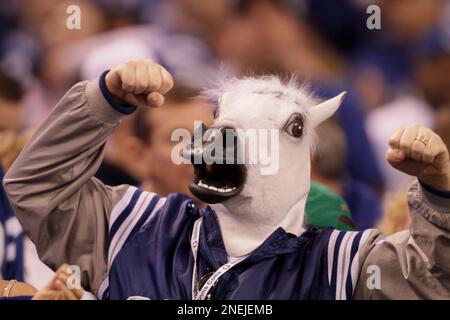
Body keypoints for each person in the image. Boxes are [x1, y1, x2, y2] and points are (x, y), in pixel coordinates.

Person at [4, 60, 450, 299]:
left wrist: (440, 191)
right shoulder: (132, 227)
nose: (223, 137)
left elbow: (434, 284)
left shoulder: (342, 267)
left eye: (289, 128)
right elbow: (37, 186)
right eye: (220, 118)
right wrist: (102, 102)